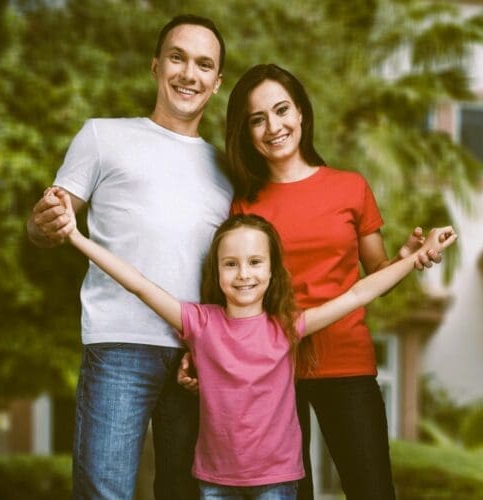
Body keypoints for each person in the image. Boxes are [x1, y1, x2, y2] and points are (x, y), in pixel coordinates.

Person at [54, 188, 457, 500]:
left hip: (278, 482)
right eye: (230, 264)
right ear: (217, 270)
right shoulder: (199, 321)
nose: (243, 274)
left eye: (254, 262)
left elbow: (357, 295)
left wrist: (417, 256)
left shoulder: (287, 327)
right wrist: (75, 236)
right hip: (213, 482)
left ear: (272, 270)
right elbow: (137, 283)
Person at [179, 63, 443, 500]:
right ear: (246, 132)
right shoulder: (244, 203)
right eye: (257, 119)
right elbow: (229, 296)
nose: (273, 127)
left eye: (282, 110)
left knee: (372, 490)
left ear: (301, 112)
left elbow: (374, 276)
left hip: (347, 362)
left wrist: (406, 257)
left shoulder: (350, 188)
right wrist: (198, 353)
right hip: (270, 374)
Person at [26, 15, 232, 500]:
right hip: (118, 344)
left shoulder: (226, 168)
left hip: (196, 355)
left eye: (205, 65)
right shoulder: (102, 136)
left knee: (186, 493)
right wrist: (43, 221)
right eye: (178, 57)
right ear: (156, 64)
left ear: (217, 82)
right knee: (105, 492)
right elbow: (47, 225)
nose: (189, 73)